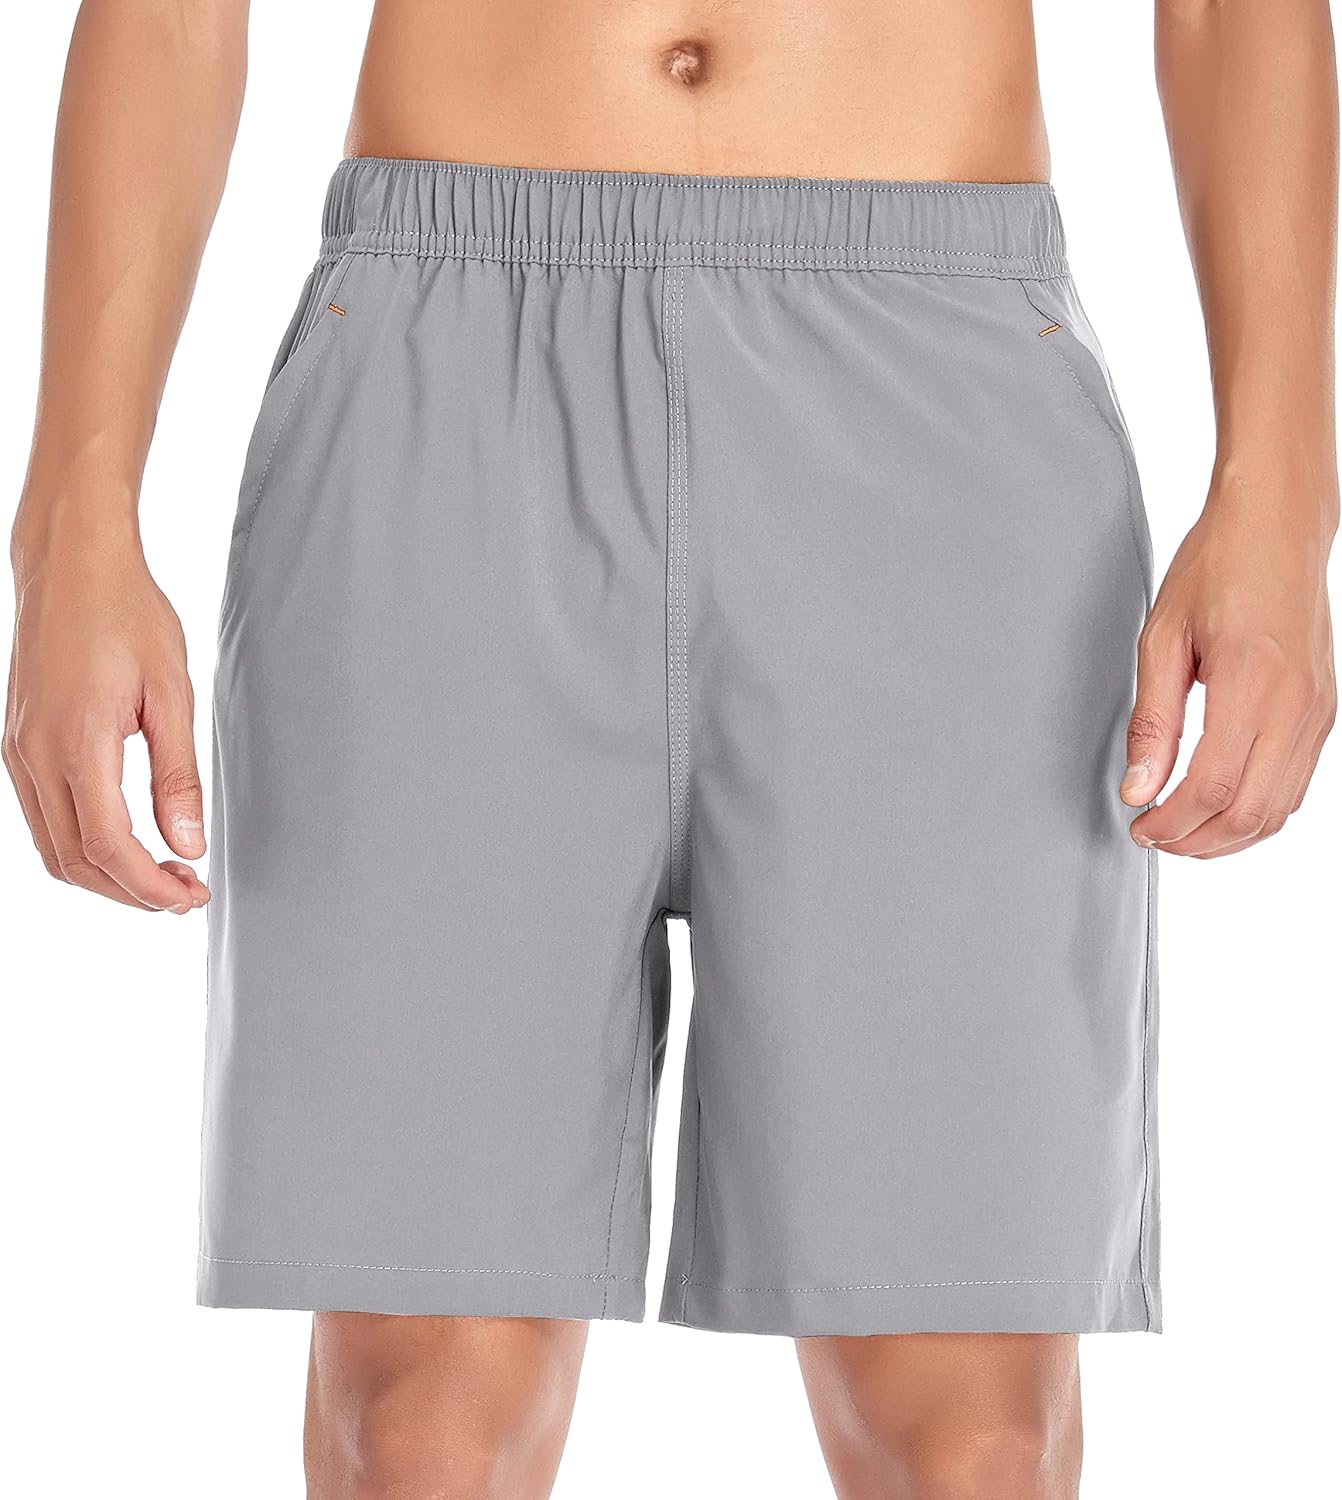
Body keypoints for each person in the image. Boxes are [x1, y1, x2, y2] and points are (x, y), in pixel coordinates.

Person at [5, 1, 1337, 1495]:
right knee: (421, 1416)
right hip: (448, 364)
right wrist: (72, 527)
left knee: (971, 1426)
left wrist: (1283, 503)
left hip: (938, 383)